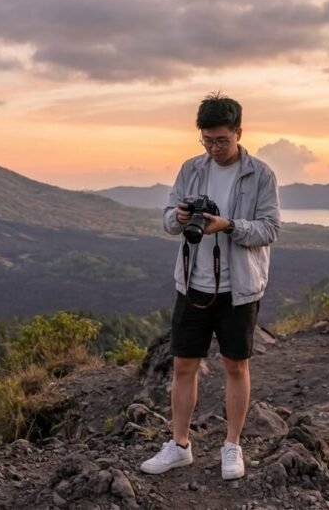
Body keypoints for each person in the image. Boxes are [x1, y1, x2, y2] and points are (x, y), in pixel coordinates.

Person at [140, 92, 280, 480]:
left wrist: (230, 225)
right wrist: (180, 216)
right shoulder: (191, 169)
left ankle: (232, 446)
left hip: (239, 287)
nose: (215, 148)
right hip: (193, 283)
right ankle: (180, 445)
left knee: (236, 364)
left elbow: (270, 229)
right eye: (207, 140)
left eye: (222, 140)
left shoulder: (261, 175)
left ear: (238, 132)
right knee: (184, 364)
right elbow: (169, 220)